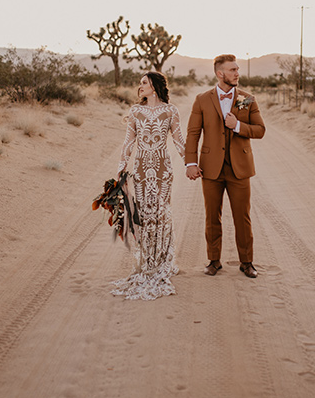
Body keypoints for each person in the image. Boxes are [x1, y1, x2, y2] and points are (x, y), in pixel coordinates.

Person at [185, 54, 265, 278]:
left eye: (237, 69)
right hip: (211, 168)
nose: (237, 73)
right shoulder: (202, 99)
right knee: (212, 216)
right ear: (220, 74)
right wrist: (191, 163)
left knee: (243, 217)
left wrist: (238, 125)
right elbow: (193, 133)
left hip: (239, 168)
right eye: (232, 70)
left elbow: (260, 130)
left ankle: (247, 262)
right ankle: (214, 260)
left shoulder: (247, 99)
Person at [112, 72, 185, 300]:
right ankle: (147, 261)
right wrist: (122, 166)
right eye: (140, 83)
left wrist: (193, 163)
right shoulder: (136, 111)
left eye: (144, 83)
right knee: (144, 214)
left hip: (163, 169)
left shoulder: (170, 111)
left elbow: (179, 140)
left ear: (154, 86)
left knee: (161, 213)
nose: (140, 86)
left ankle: (162, 261)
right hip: (142, 169)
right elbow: (129, 141)